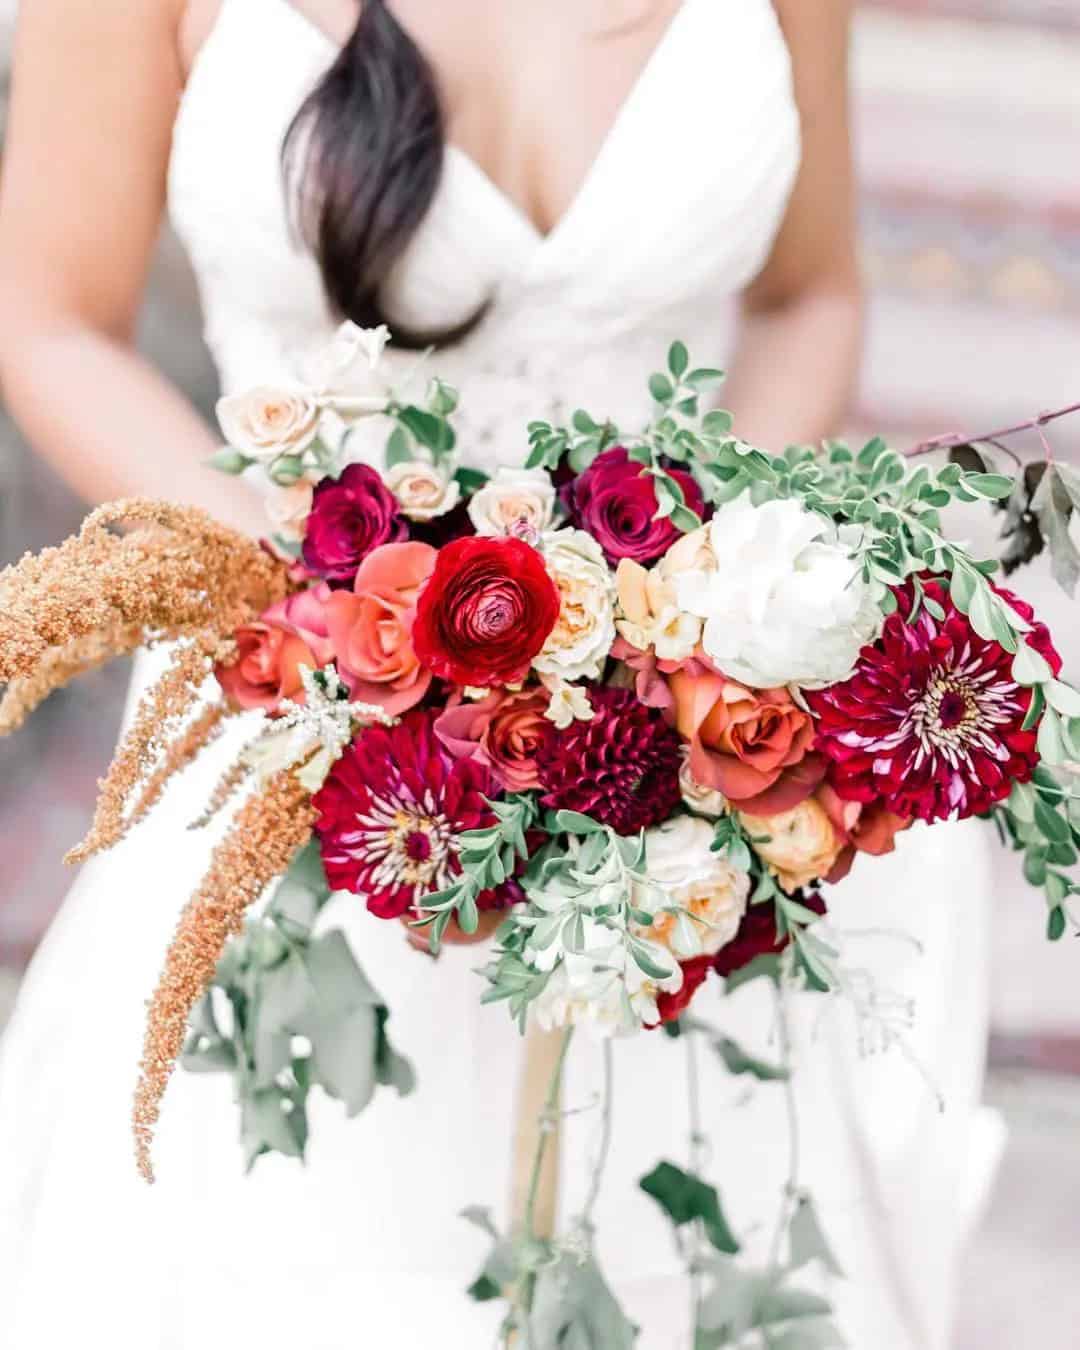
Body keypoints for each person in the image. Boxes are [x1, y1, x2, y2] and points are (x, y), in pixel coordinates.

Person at [0, 2, 996, 1345]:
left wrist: (695, 615)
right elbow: (51, 316)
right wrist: (330, 603)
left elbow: (808, 296)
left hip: (657, 785)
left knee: (681, 1245)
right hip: (298, 745)